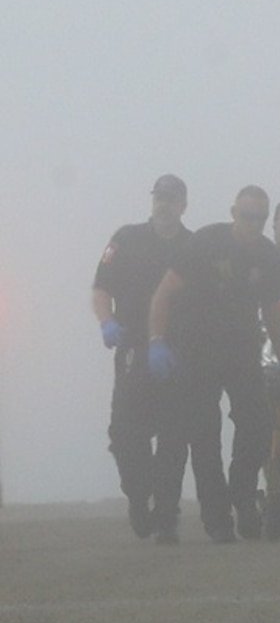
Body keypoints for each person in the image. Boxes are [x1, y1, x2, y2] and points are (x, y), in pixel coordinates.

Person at [147, 185, 280, 542]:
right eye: (247, 216)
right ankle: (217, 520)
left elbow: (272, 312)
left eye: (260, 218)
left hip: (242, 350)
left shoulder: (268, 255)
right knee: (204, 436)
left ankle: (242, 494)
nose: (253, 224)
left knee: (258, 425)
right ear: (233, 213)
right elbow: (164, 293)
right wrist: (156, 342)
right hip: (196, 350)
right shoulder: (206, 242)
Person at [91, 174, 194, 544]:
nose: (164, 205)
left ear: (183, 205)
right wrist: (106, 322)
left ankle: (166, 516)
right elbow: (101, 288)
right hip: (134, 349)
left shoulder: (192, 247)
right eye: (159, 198)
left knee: (173, 437)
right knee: (125, 435)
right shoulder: (126, 239)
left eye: (171, 198)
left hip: (177, 353)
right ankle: (138, 495)